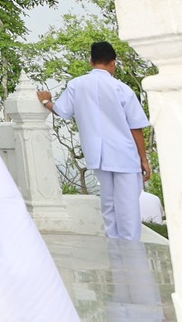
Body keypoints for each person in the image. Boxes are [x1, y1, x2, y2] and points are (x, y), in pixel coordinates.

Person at [38, 41, 151, 240]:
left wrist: (46, 100)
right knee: (128, 208)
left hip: (97, 155)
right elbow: (136, 128)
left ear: (91, 62)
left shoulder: (76, 85)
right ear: (113, 63)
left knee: (108, 206)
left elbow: (62, 111)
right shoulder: (121, 89)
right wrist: (144, 159)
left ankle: (115, 249)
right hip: (124, 154)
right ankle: (131, 251)